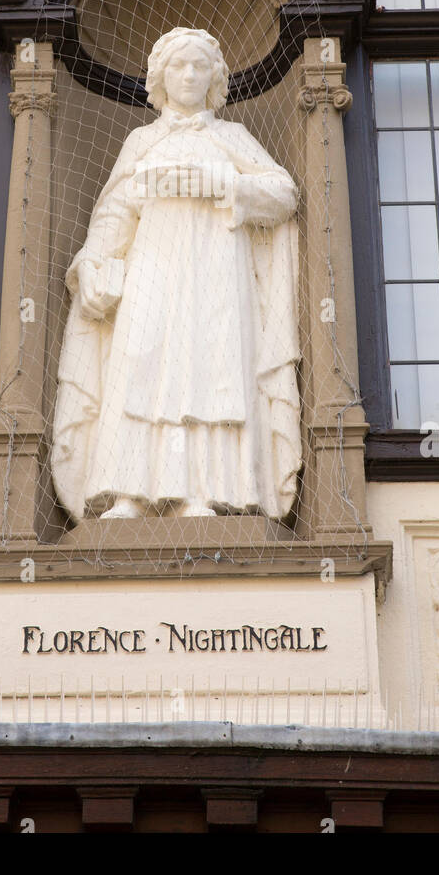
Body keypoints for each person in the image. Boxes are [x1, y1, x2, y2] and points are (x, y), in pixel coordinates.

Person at [50, 26, 302, 521]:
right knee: (137, 369)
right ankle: (128, 493)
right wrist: (94, 263)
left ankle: (202, 494)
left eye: (199, 66)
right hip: (152, 273)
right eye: (178, 66)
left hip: (216, 278)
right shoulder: (142, 140)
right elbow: (113, 213)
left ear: (214, 78)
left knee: (209, 376)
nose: (188, 75)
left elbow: (284, 194)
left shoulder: (231, 137)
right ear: (161, 77)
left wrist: (223, 182)